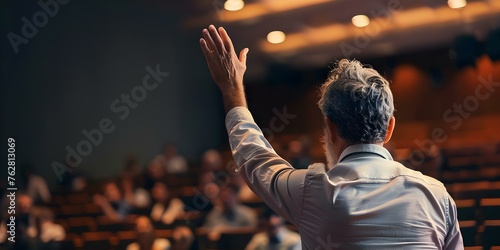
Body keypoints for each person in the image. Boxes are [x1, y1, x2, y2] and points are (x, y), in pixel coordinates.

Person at [199, 25, 463, 249]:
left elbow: (253, 157)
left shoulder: (311, 190)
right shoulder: (437, 196)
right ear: (390, 127)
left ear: (330, 127)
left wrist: (231, 86)